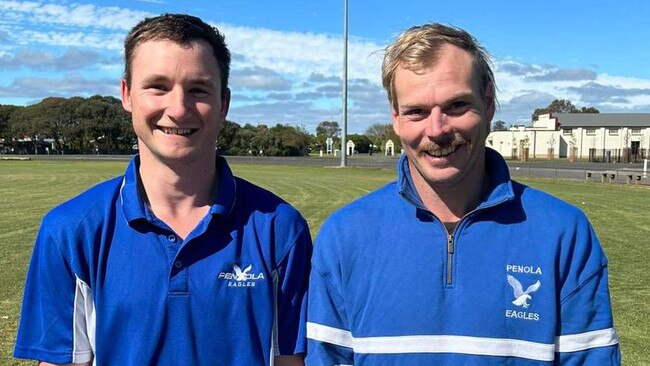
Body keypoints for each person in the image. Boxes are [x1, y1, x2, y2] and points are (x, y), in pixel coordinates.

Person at [306, 23, 620, 365]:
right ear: (396, 119)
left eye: (456, 106)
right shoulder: (345, 236)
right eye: (417, 111)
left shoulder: (562, 232)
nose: (437, 130)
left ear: (488, 105)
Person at [14, 14, 311, 366]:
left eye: (198, 89)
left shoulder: (280, 229)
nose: (179, 109)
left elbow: (290, 362)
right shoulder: (69, 230)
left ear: (224, 103)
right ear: (127, 95)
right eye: (158, 86)